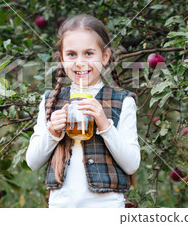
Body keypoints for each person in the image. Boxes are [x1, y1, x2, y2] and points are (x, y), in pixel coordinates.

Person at [26, 14, 140, 208]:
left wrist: (105, 125)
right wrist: (53, 132)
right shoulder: (50, 101)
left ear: (105, 57)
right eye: (72, 54)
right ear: (62, 59)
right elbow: (33, 162)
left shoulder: (123, 101)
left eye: (89, 53)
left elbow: (131, 165)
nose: (80, 62)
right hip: (61, 208)